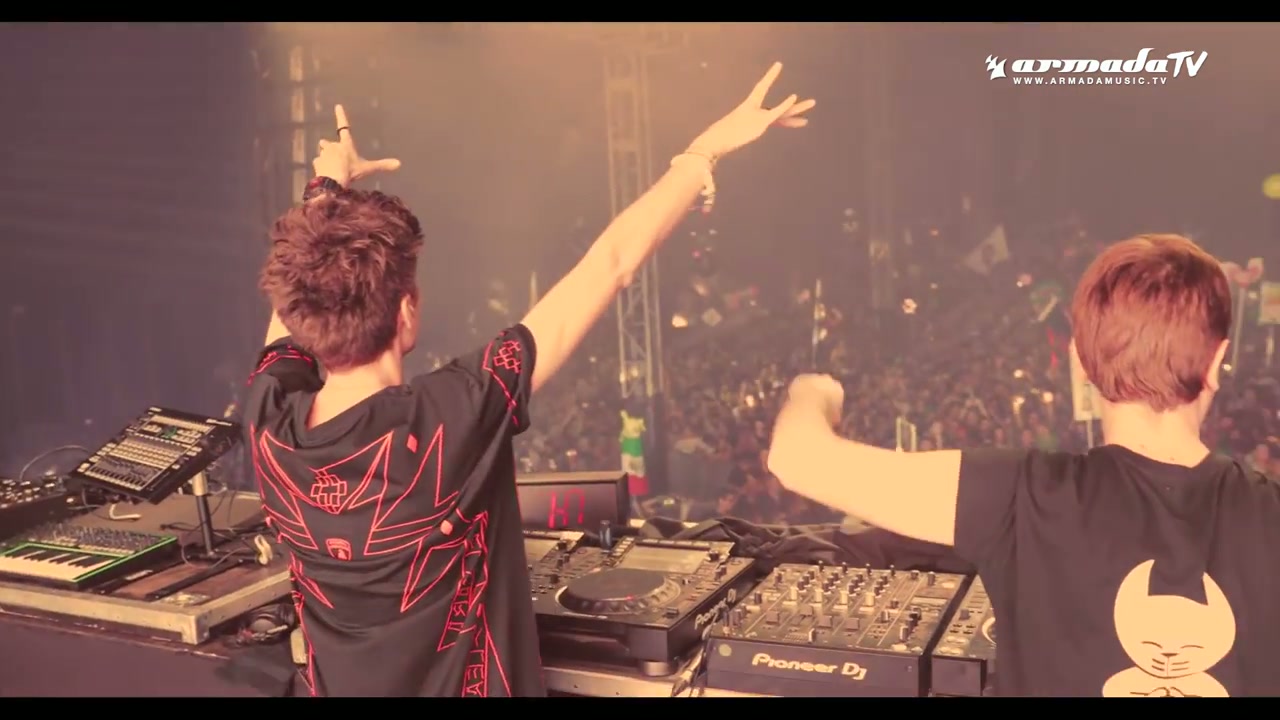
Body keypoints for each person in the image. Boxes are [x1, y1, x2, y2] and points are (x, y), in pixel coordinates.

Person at [243, 64, 814, 697]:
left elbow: (291, 297)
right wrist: (703, 151)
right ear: (407, 311)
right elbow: (611, 265)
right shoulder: (456, 411)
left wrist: (325, 193)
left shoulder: (268, 423)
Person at [767, 234, 1280, 697]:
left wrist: (814, 393)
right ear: (1216, 363)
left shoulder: (1021, 494)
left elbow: (798, 457)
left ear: (1081, 362)